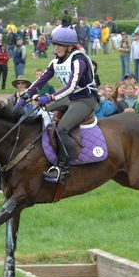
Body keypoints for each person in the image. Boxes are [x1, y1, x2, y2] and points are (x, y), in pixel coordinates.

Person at [18, 27, 99, 182]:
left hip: (85, 99)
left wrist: (50, 97)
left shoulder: (79, 60)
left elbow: (71, 87)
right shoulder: (55, 60)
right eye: (55, 44)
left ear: (70, 47)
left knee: (62, 128)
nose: (56, 48)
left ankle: (63, 168)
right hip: (70, 98)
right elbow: (41, 79)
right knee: (42, 112)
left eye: (60, 45)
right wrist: (26, 95)